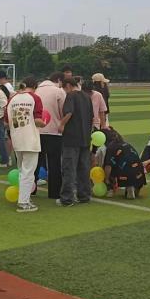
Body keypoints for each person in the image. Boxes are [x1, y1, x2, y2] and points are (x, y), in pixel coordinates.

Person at [6, 76, 45, 212]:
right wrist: (44, 123)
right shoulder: (35, 98)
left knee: (22, 171)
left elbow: (6, 122)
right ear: (35, 87)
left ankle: (24, 198)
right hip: (31, 140)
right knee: (28, 172)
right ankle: (23, 202)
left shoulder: (12, 99)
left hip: (17, 139)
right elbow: (38, 120)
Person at [57, 78, 94, 207]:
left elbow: (69, 112)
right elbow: (92, 116)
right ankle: (84, 195)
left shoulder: (71, 96)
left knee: (69, 168)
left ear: (68, 85)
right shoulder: (86, 96)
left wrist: (61, 124)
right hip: (85, 137)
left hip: (72, 138)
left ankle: (67, 198)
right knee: (83, 168)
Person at [35, 72, 66, 198]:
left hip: (37, 131)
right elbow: (64, 111)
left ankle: (31, 190)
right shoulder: (58, 91)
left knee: (35, 163)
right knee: (54, 163)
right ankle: (54, 192)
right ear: (59, 80)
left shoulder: (37, 90)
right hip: (54, 131)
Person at [101, 128, 146, 199]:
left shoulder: (110, 147)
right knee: (126, 164)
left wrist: (106, 179)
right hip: (140, 172)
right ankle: (135, 187)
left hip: (126, 173)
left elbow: (108, 166)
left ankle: (113, 189)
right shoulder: (126, 144)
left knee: (109, 166)